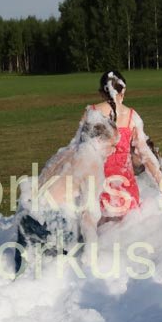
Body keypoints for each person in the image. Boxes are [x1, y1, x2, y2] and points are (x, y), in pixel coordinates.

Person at [14, 108, 120, 273]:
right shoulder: (93, 163)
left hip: (26, 213)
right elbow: (88, 216)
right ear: (99, 140)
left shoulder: (67, 151)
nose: (114, 150)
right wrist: (91, 259)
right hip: (52, 223)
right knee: (64, 262)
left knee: (24, 266)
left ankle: (20, 276)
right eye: (113, 145)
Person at [89, 70, 162, 218]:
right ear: (123, 91)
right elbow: (146, 156)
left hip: (98, 187)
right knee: (129, 227)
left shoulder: (92, 113)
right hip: (126, 188)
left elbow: (78, 153)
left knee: (100, 229)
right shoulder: (132, 116)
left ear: (101, 93)